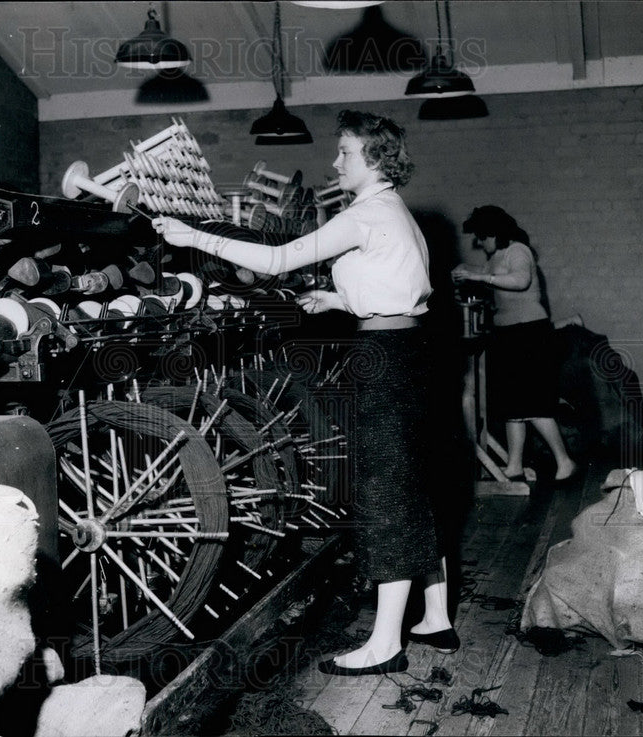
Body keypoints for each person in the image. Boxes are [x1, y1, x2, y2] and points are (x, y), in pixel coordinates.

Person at [151, 109, 457, 676]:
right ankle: (435, 615)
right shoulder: (396, 213)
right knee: (409, 482)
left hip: (386, 361)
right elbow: (408, 288)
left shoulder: (366, 214)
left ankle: (385, 644)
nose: (333, 162)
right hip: (408, 350)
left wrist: (190, 234)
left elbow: (276, 260)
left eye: (343, 152)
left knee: (384, 489)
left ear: (372, 157)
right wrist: (340, 301)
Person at [451, 205, 578, 482]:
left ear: (494, 232)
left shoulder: (518, 250)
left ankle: (565, 461)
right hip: (508, 334)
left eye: (482, 237)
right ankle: (514, 465)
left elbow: (520, 281)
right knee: (512, 406)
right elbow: (487, 274)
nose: (480, 243)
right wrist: (465, 270)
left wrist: (478, 276)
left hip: (529, 333)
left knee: (532, 404)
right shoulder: (495, 255)